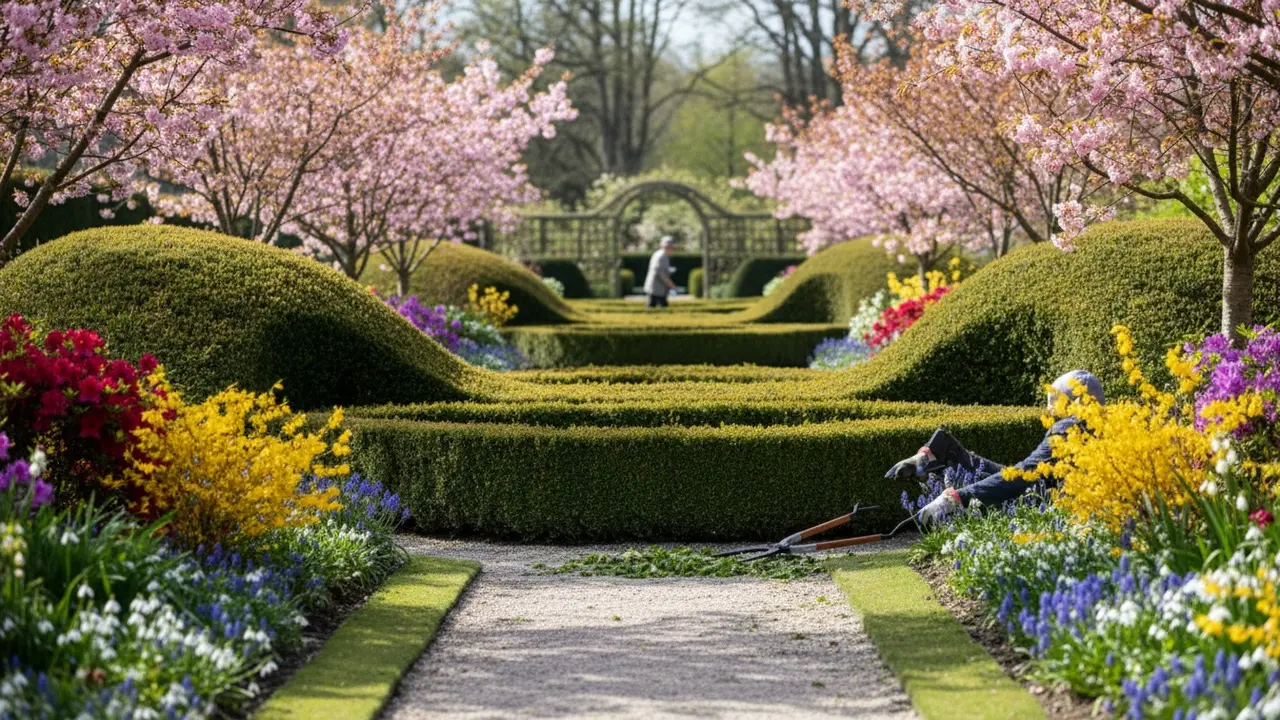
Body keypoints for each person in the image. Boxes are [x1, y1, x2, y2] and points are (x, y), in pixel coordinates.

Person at [885, 370, 1105, 524]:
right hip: (1049, 494)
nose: (1049, 412)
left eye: (1053, 404)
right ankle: (932, 453)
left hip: (1054, 505)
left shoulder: (1070, 429)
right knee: (968, 459)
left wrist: (956, 498)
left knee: (999, 480)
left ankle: (935, 456)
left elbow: (1022, 476)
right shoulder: (1099, 423)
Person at [643, 236, 678, 308]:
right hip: (656, 289)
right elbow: (661, 275)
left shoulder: (659, 254)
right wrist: (671, 285)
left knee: (653, 307)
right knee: (657, 307)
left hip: (657, 289)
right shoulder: (661, 257)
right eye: (668, 247)